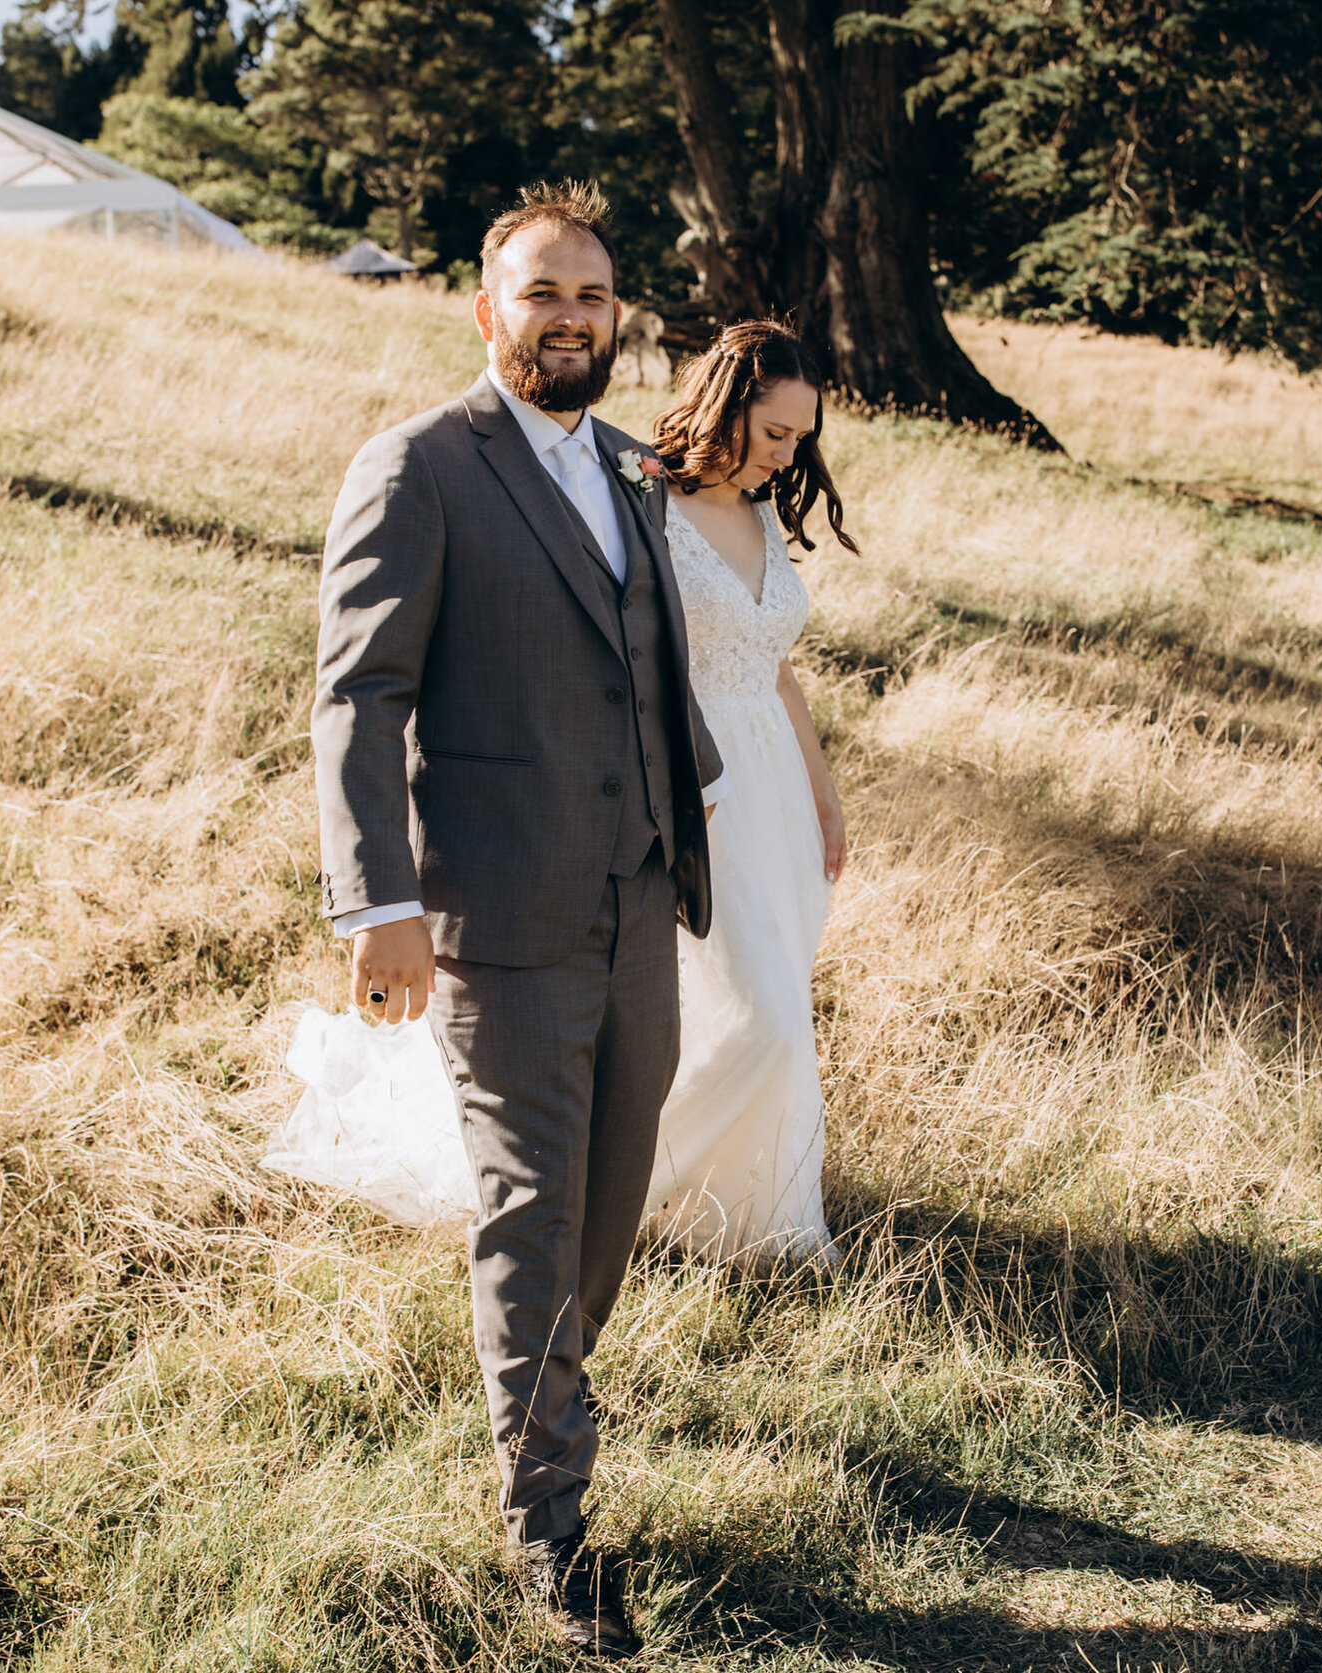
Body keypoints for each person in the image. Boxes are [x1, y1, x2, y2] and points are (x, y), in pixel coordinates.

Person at [308, 180, 722, 1659]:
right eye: (542, 295)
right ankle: (550, 1523)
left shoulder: (628, 466)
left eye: (594, 296)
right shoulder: (420, 464)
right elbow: (362, 695)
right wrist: (382, 902)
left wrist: (695, 815)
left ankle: (546, 1388)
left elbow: (647, 667)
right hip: (496, 910)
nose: (571, 317)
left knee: (612, 1205)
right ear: (488, 314)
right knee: (535, 1214)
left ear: (620, 319)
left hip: (638, 903)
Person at [642, 319, 857, 1264]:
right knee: (762, 1014)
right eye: (775, 433)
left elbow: (773, 667)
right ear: (724, 408)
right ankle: (616, 1185)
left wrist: (823, 793)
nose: (788, 455)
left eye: (801, 438)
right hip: (694, 782)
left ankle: (735, 1215)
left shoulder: (764, 512)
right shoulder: (645, 505)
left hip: (772, 787)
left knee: (754, 1004)